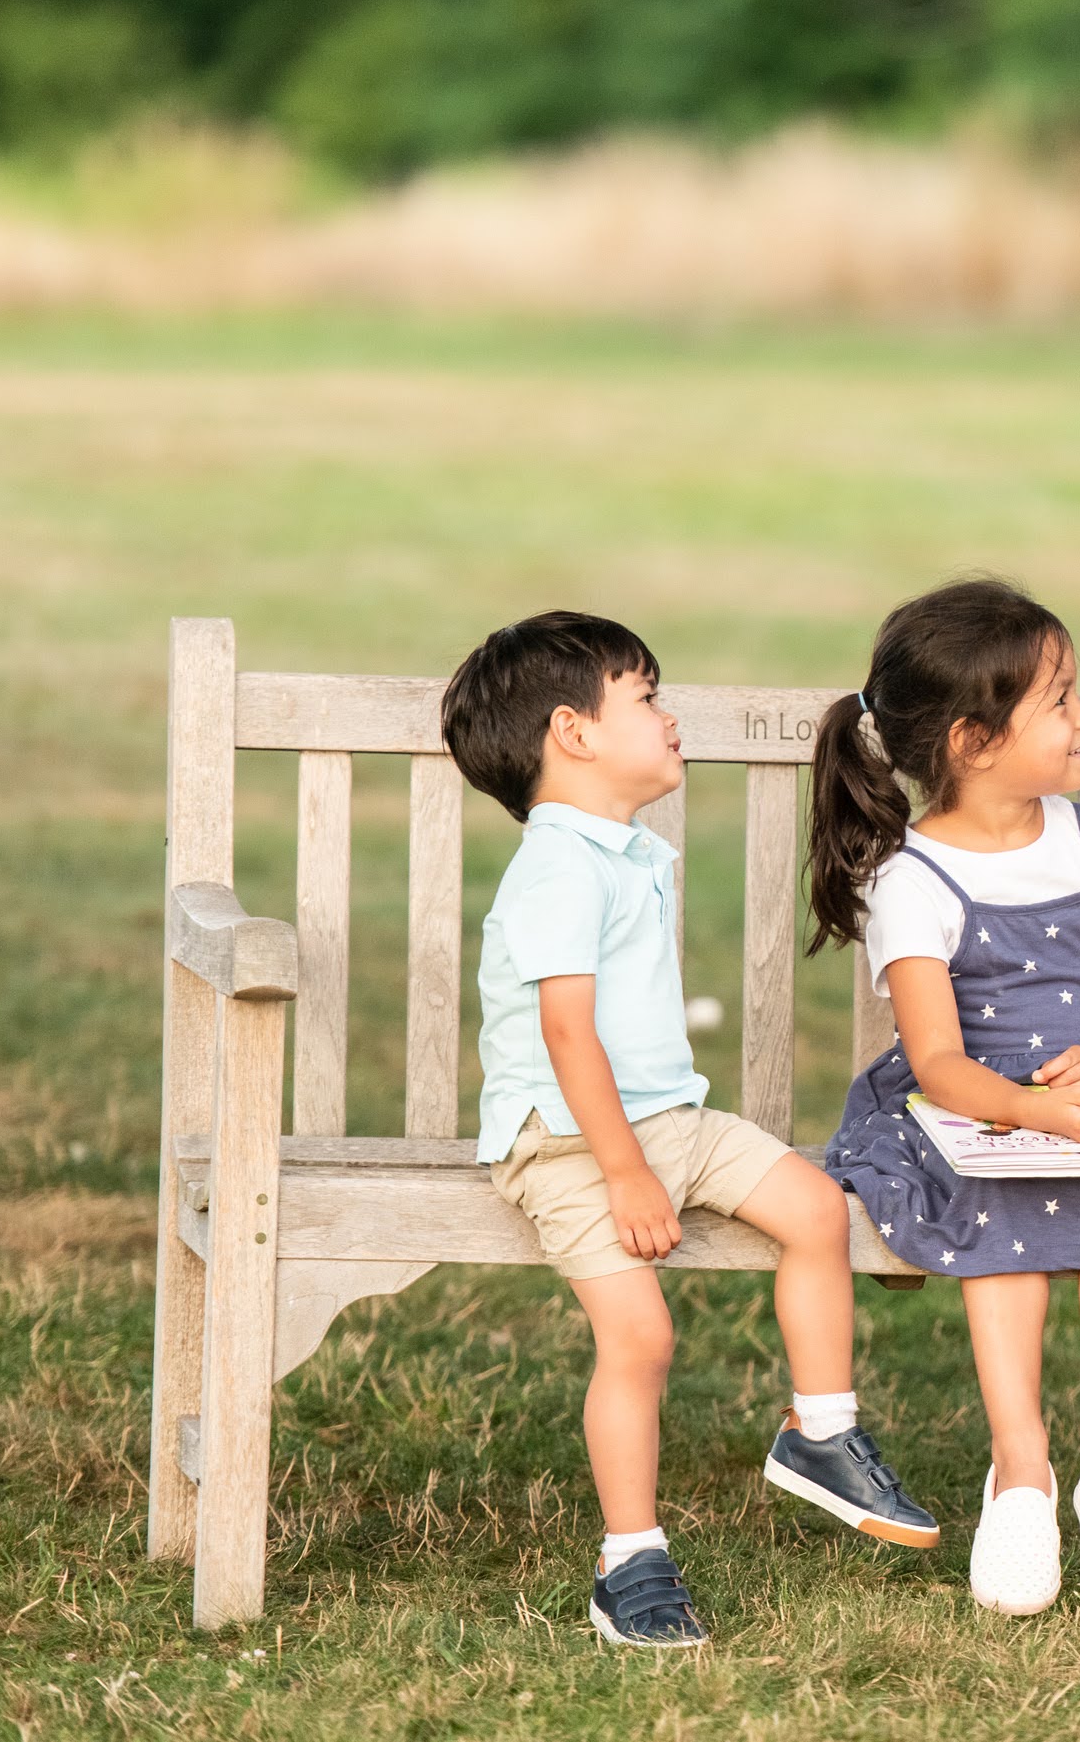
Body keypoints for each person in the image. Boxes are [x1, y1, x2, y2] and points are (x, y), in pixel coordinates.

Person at [442, 612, 937, 1652]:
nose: (670, 720)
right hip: (572, 1143)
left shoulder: (618, 850)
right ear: (574, 734)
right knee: (642, 1336)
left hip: (669, 1121)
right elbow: (566, 1034)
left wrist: (653, 1149)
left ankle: (821, 1432)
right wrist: (626, 1175)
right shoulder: (558, 868)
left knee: (814, 1210)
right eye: (648, 699)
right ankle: (631, 1561)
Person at [810, 578, 1080, 1617]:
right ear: (976, 741)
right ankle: (1019, 1470)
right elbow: (936, 1060)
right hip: (966, 1115)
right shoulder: (912, 878)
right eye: (1061, 700)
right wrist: (1027, 1114)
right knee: (1005, 1203)